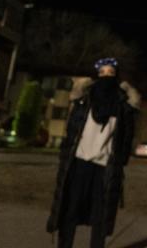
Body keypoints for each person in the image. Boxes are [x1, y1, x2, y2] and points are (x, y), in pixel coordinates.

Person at [46, 58, 140, 248]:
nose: (106, 77)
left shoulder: (122, 108)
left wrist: (121, 161)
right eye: (102, 73)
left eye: (111, 73)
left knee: (100, 216)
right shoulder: (85, 102)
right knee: (70, 211)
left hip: (104, 167)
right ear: (96, 76)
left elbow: (127, 136)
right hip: (79, 163)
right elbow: (71, 129)